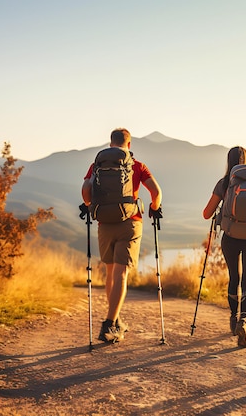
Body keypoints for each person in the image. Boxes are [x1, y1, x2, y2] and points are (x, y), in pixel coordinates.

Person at [80, 128, 163, 343]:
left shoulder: (97, 164)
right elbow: (156, 192)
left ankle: (114, 320)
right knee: (121, 273)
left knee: (111, 272)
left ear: (110, 144)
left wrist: (90, 205)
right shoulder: (136, 165)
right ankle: (109, 324)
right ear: (129, 145)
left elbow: (86, 190)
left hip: (105, 222)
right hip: (130, 222)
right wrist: (154, 207)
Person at [202, 146, 246, 348]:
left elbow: (206, 213)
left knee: (234, 277)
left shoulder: (224, 183)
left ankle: (233, 317)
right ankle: (244, 321)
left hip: (230, 237)